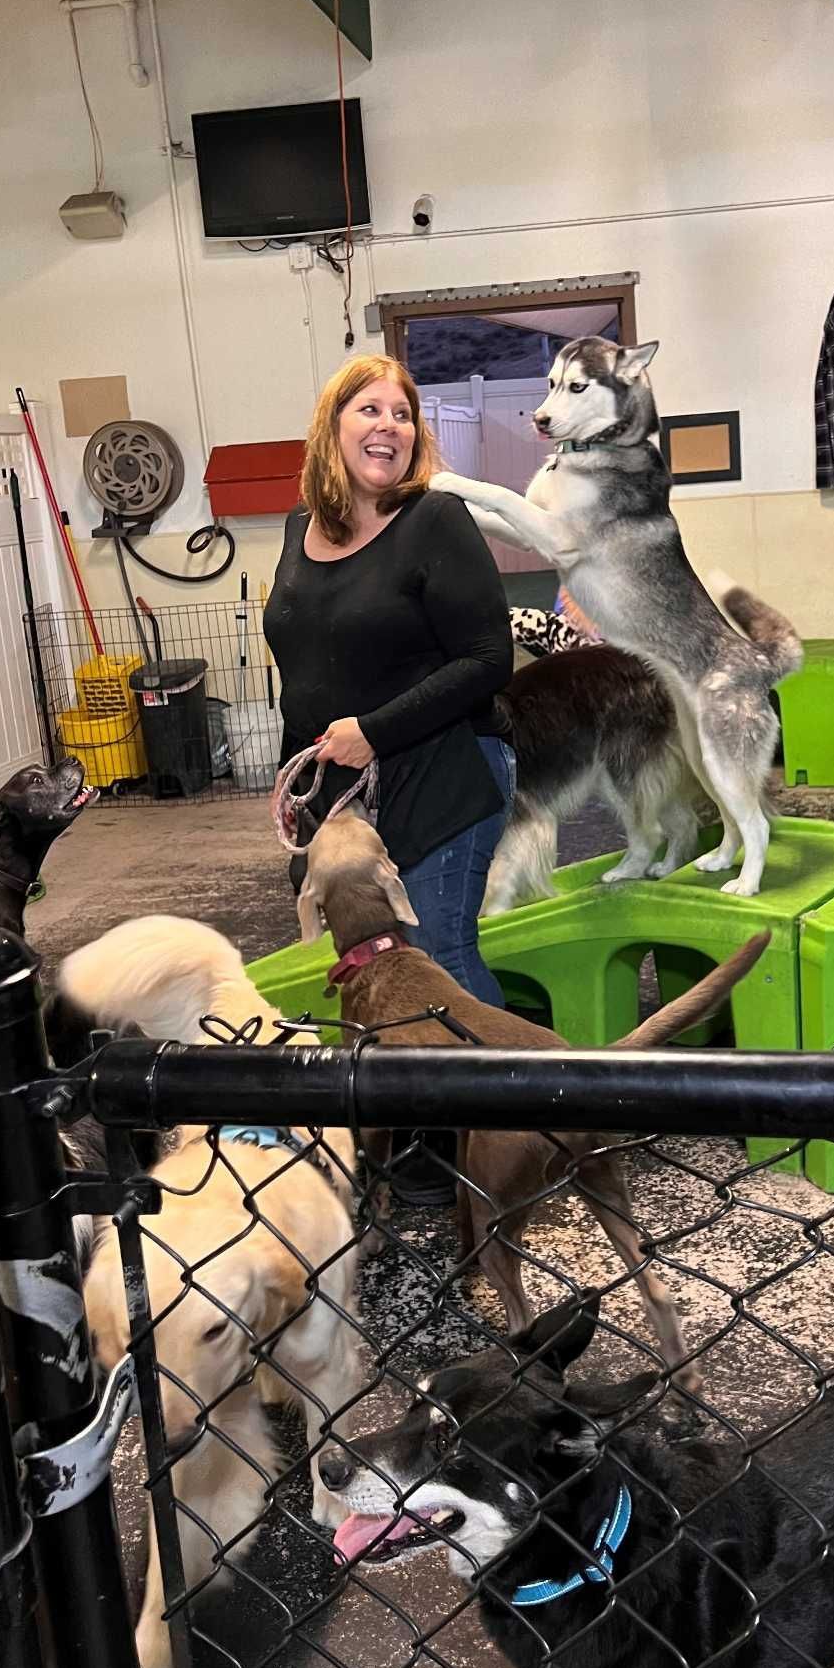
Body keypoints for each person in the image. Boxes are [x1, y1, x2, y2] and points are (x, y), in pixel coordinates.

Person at [264, 354, 515, 1204]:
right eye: (369, 410)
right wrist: (299, 801)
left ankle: (515, 1128)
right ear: (331, 427)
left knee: (437, 952)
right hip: (342, 783)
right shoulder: (297, 528)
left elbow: (488, 658)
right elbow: (304, 669)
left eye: (402, 414)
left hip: (447, 765)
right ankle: (425, 1137)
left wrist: (374, 730)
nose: (388, 427)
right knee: (373, 964)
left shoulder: (434, 520)